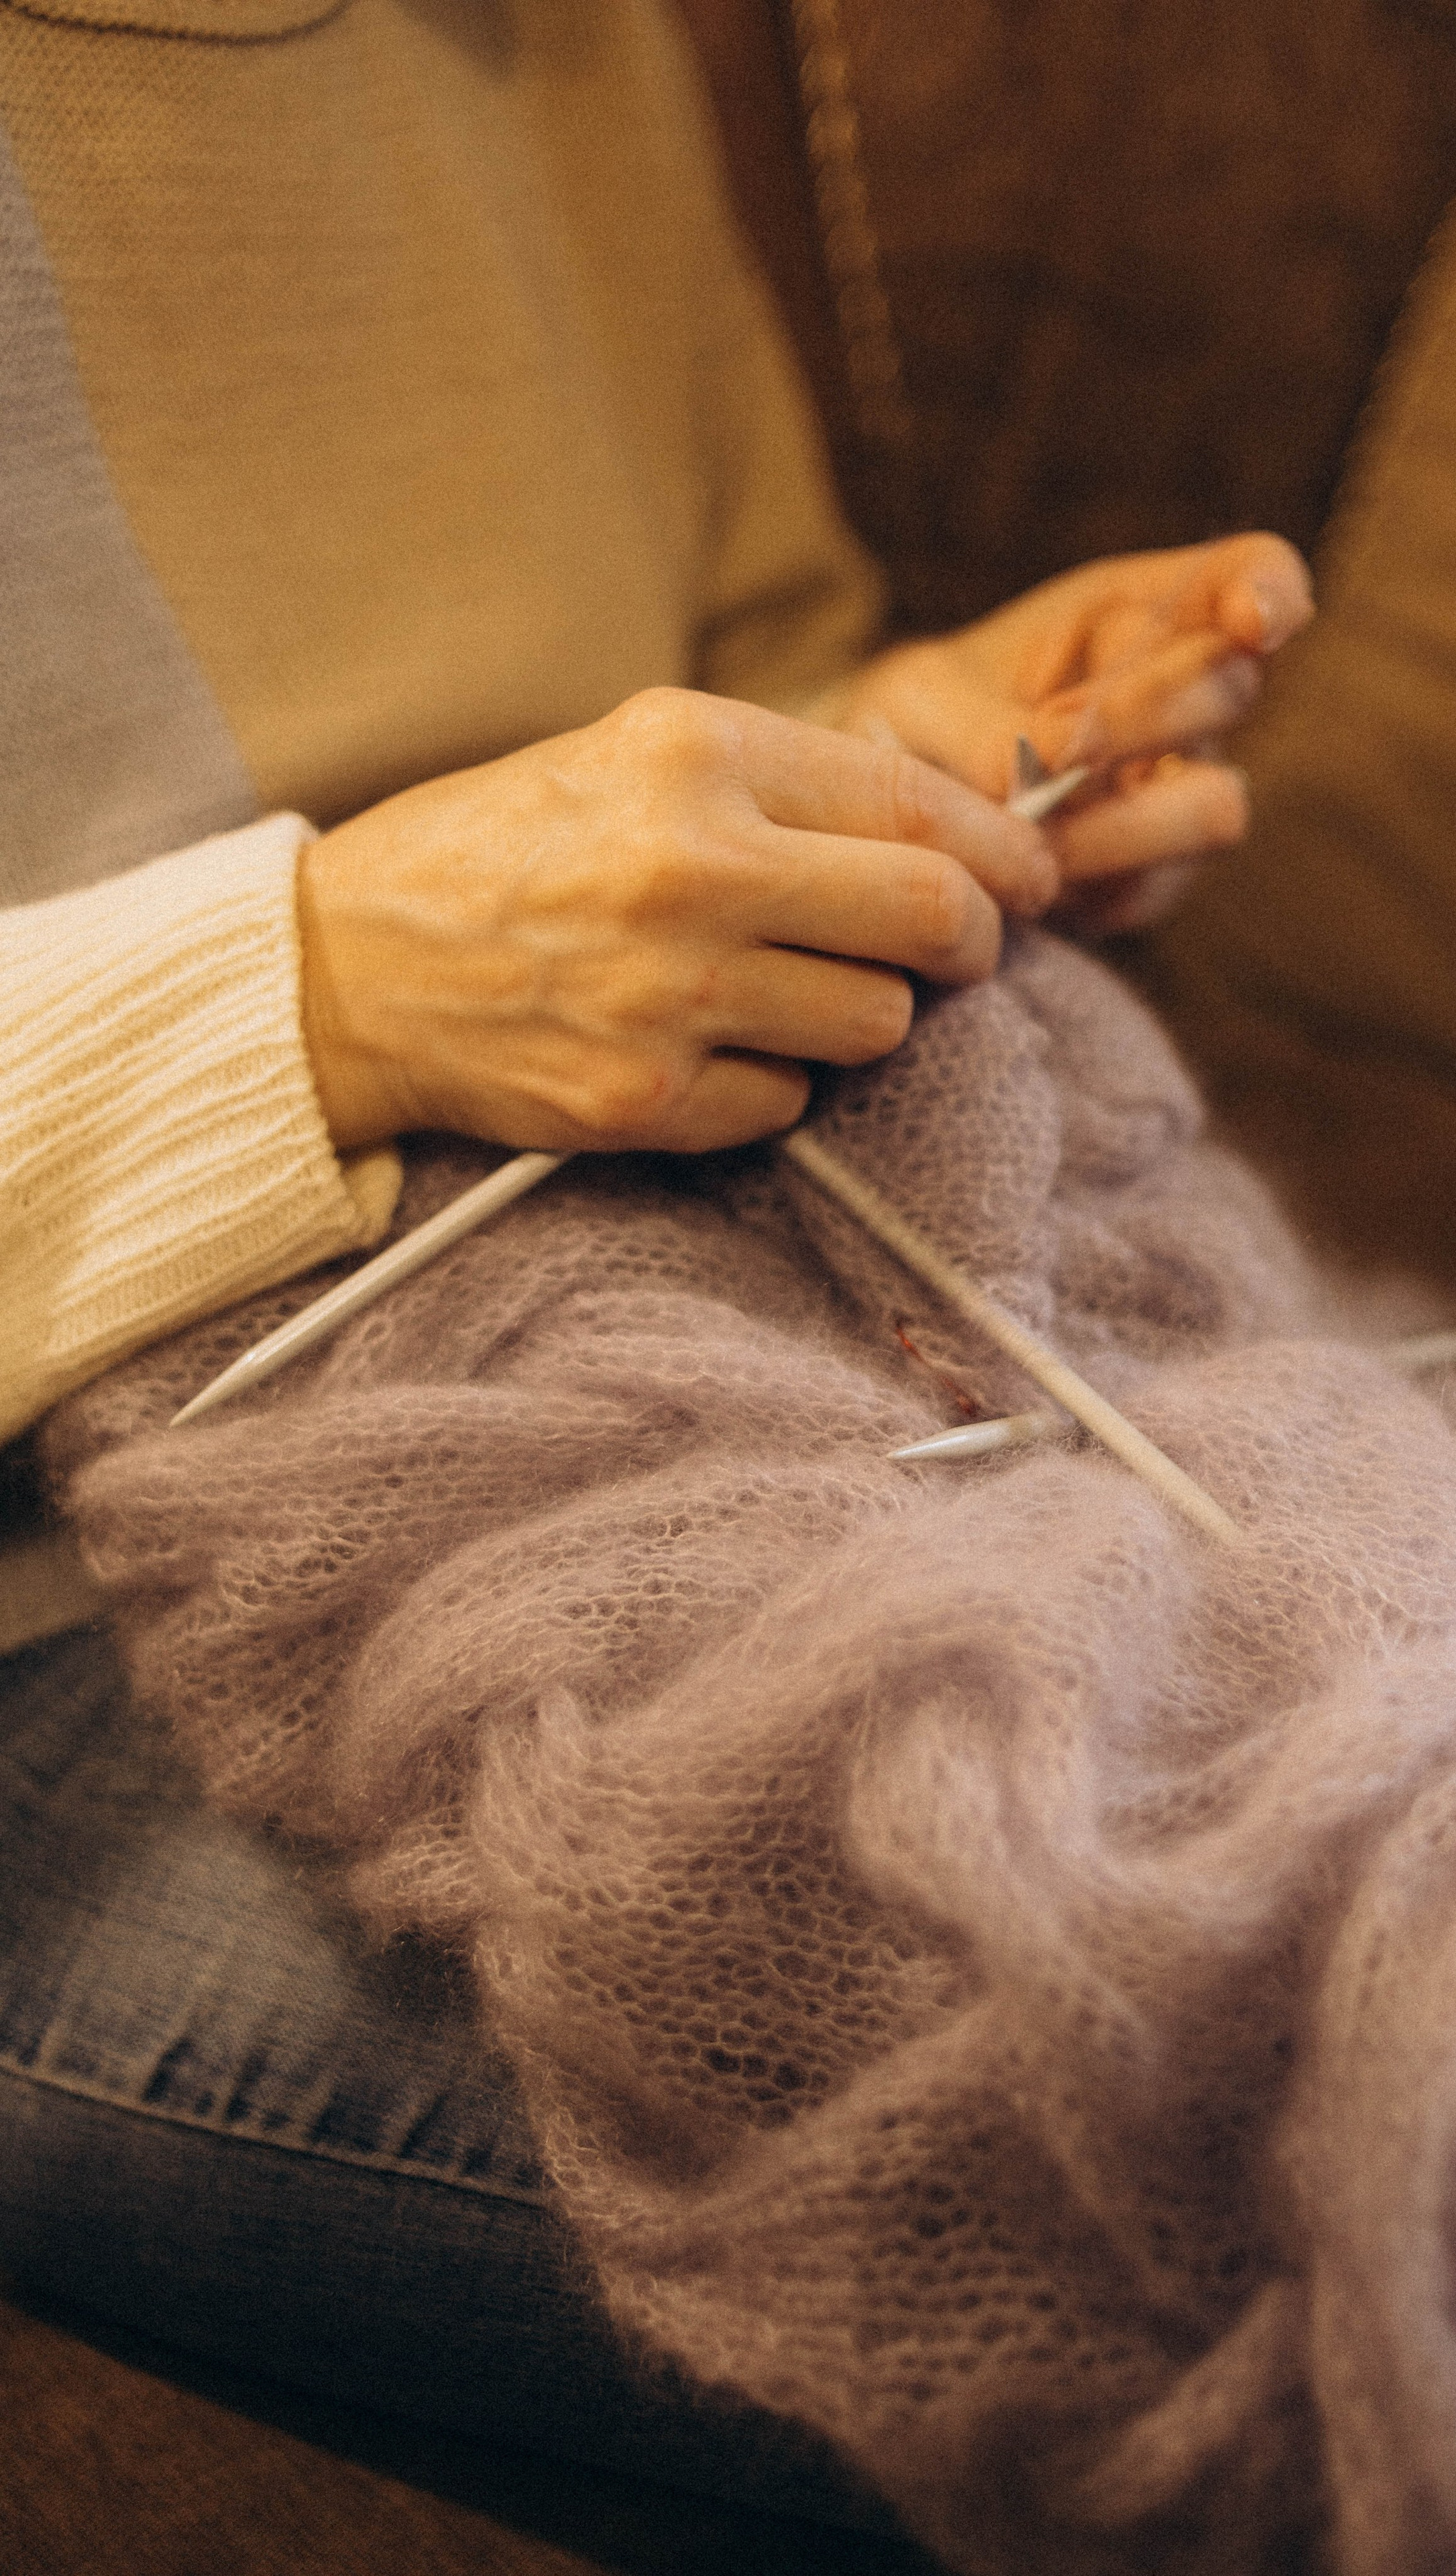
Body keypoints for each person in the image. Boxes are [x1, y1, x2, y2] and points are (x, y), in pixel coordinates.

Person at [0, 0, 1305, 2510]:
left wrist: (885, 776)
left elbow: (709, 662)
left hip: (698, 1361)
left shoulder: (561, 38)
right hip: (45, 1619)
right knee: (1423, 2143)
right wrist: (325, 988)